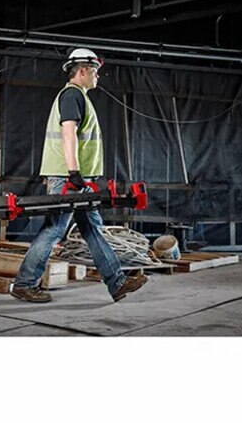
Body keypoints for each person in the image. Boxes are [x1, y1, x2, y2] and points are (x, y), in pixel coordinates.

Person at [11, 48, 148, 303]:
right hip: (68, 178)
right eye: (95, 70)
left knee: (92, 229)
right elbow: (69, 134)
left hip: (77, 179)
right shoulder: (72, 95)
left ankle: (117, 283)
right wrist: (73, 172)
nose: (98, 76)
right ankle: (24, 284)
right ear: (83, 70)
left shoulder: (78, 96)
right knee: (54, 230)